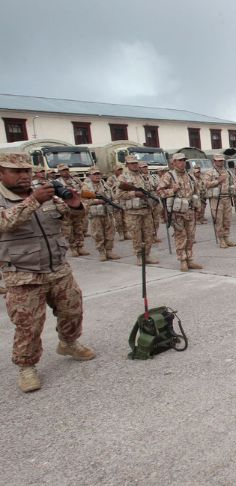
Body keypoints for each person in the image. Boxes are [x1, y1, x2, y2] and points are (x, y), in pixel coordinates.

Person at [0, 153, 96, 393]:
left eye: (27, 171)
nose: (24, 176)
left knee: (72, 309)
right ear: (1, 173)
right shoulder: (18, 198)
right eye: (16, 171)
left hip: (58, 268)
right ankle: (27, 366)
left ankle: (68, 342)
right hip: (23, 274)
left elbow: (70, 215)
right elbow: (5, 223)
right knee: (29, 325)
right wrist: (33, 200)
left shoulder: (45, 194)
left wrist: (75, 205)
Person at [156, 153, 203, 271]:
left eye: (184, 160)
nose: (182, 163)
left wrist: (198, 207)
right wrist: (172, 190)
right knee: (181, 236)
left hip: (190, 211)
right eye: (180, 160)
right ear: (174, 163)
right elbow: (159, 192)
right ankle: (182, 260)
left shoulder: (190, 175)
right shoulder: (169, 176)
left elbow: (196, 192)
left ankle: (190, 259)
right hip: (178, 213)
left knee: (191, 237)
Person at [116, 155, 159, 265]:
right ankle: (140, 256)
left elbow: (151, 189)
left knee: (148, 234)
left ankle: (147, 255)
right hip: (133, 212)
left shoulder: (143, 176)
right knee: (136, 235)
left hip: (146, 210)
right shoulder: (123, 178)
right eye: (131, 163)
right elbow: (119, 195)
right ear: (127, 165)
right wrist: (134, 193)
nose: (134, 165)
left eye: (135, 163)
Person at [81, 168, 120, 261]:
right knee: (98, 233)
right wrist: (97, 201)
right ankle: (101, 252)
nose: (97, 176)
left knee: (110, 232)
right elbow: (84, 201)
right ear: (90, 176)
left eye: (99, 174)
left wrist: (115, 203)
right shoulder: (86, 187)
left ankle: (109, 251)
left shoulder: (105, 185)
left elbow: (112, 196)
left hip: (107, 212)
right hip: (96, 214)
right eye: (94, 174)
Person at [203, 154, 236, 248]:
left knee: (227, 219)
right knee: (218, 220)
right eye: (218, 160)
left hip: (227, 198)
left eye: (222, 160)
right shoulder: (210, 172)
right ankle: (221, 239)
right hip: (216, 199)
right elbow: (205, 184)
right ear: (214, 161)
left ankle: (226, 238)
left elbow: (233, 182)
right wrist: (217, 181)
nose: (220, 162)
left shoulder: (228, 172)